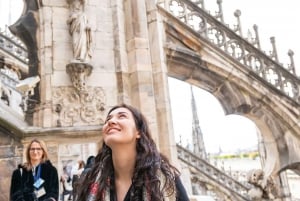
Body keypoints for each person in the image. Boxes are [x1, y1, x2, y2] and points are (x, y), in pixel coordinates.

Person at [76, 104, 189, 201]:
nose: (111, 121)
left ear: (138, 132)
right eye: (108, 119)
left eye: (122, 116)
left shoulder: (166, 178)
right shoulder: (90, 179)